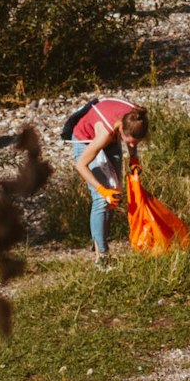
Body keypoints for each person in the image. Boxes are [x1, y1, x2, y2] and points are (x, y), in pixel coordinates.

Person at [67, 97, 148, 269]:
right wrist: (102, 190)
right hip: (86, 139)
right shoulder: (104, 133)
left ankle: (98, 240)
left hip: (112, 140)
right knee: (102, 199)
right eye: (130, 141)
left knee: (116, 194)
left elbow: (131, 138)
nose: (132, 144)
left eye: (136, 142)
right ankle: (102, 258)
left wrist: (134, 157)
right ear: (121, 130)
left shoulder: (135, 117)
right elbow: (81, 165)